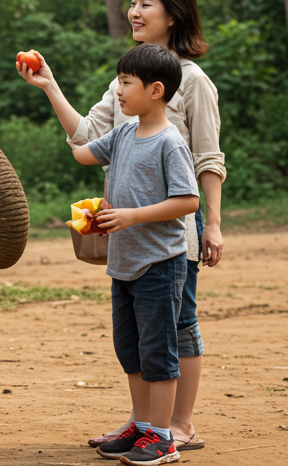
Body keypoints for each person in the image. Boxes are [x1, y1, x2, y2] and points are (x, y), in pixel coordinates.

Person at [18, 0, 224, 452]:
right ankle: (143, 422)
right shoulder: (125, 81)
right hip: (128, 229)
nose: (134, 11)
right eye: (133, 2)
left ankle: (179, 426)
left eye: (146, 4)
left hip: (173, 224)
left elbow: (208, 158)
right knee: (139, 331)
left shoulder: (190, 81)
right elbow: (88, 138)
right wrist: (50, 86)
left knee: (178, 321)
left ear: (173, 15)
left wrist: (212, 223)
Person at [74, 43, 199, 465]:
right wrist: (48, 88)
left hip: (159, 265)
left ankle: (162, 438)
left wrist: (132, 216)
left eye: (126, 83)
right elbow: (81, 152)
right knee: (130, 350)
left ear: (157, 90)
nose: (119, 91)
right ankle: (141, 426)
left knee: (158, 351)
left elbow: (188, 201)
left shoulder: (170, 142)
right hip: (123, 265)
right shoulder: (125, 133)